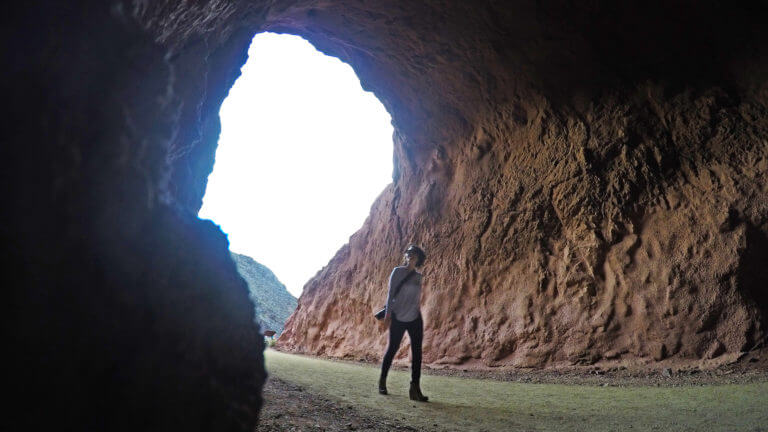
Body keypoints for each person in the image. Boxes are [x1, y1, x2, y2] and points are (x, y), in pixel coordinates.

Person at [378, 244, 429, 402]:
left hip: (415, 318)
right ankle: (382, 381)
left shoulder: (419, 277)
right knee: (392, 349)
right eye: (408, 253)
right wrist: (387, 316)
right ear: (405, 256)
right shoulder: (397, 271)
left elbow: (416, 299)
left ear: (418, 257)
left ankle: (415, 388)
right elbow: (390, 294)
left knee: (417, 353)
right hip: (398, 317)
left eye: (413, 253)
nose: (410, 255)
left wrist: (417, 314)